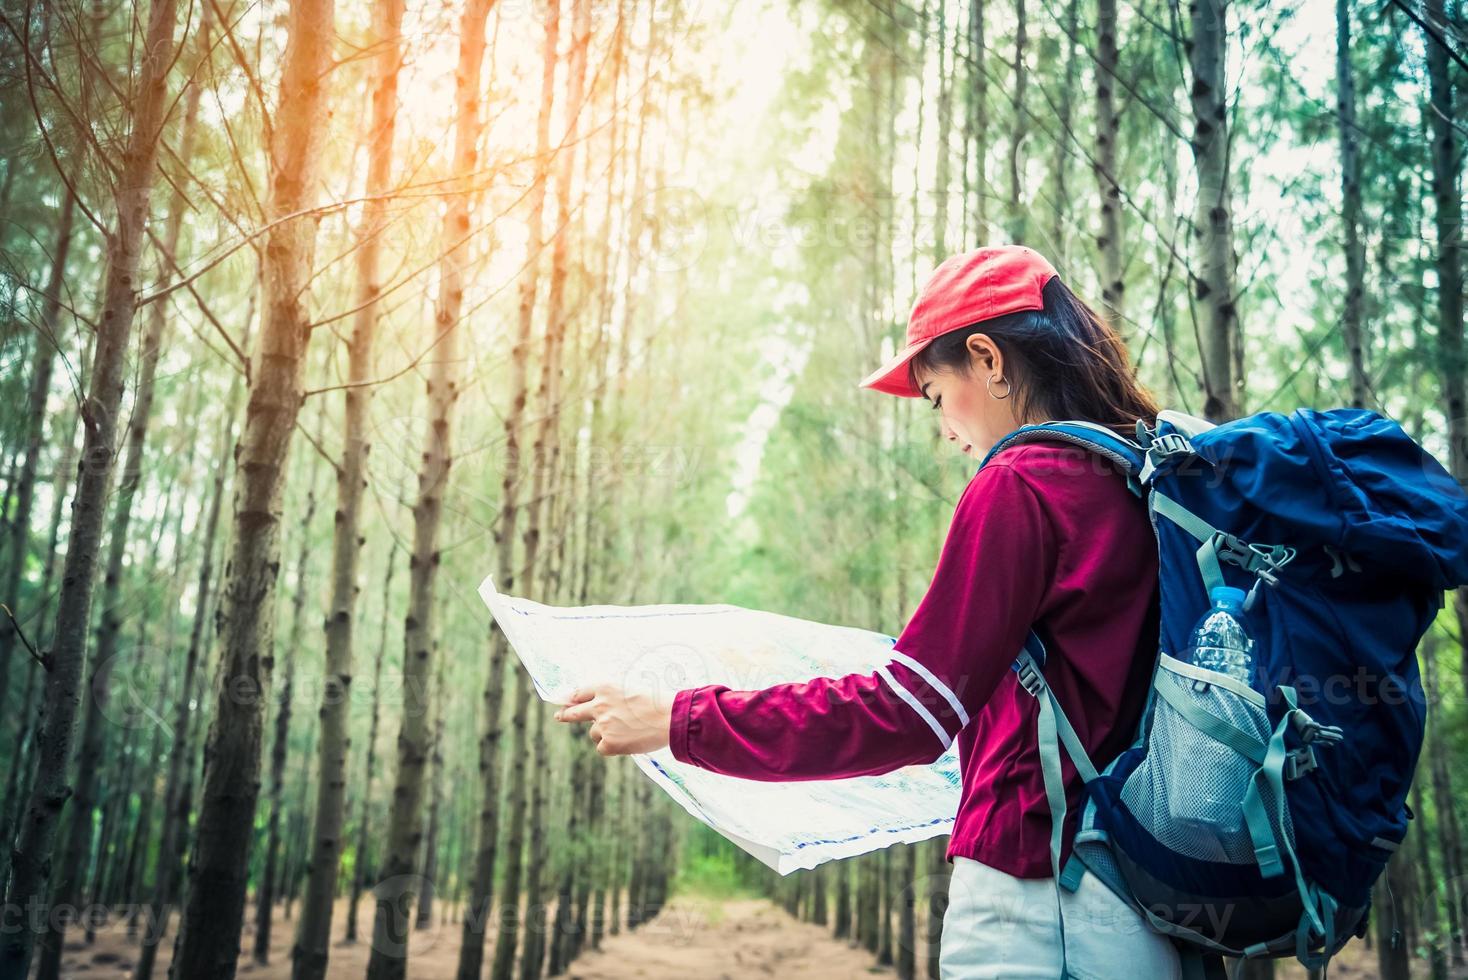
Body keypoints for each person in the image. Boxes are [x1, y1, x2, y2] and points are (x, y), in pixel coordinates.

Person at [554, 244, 1182, 978]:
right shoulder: (1137, 478)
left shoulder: (1022, 483)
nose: (946, 430)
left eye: (936, 395)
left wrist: (679, 720)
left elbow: (908, 716)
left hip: (1038, 899)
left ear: (988, 358)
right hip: (1140, 892)